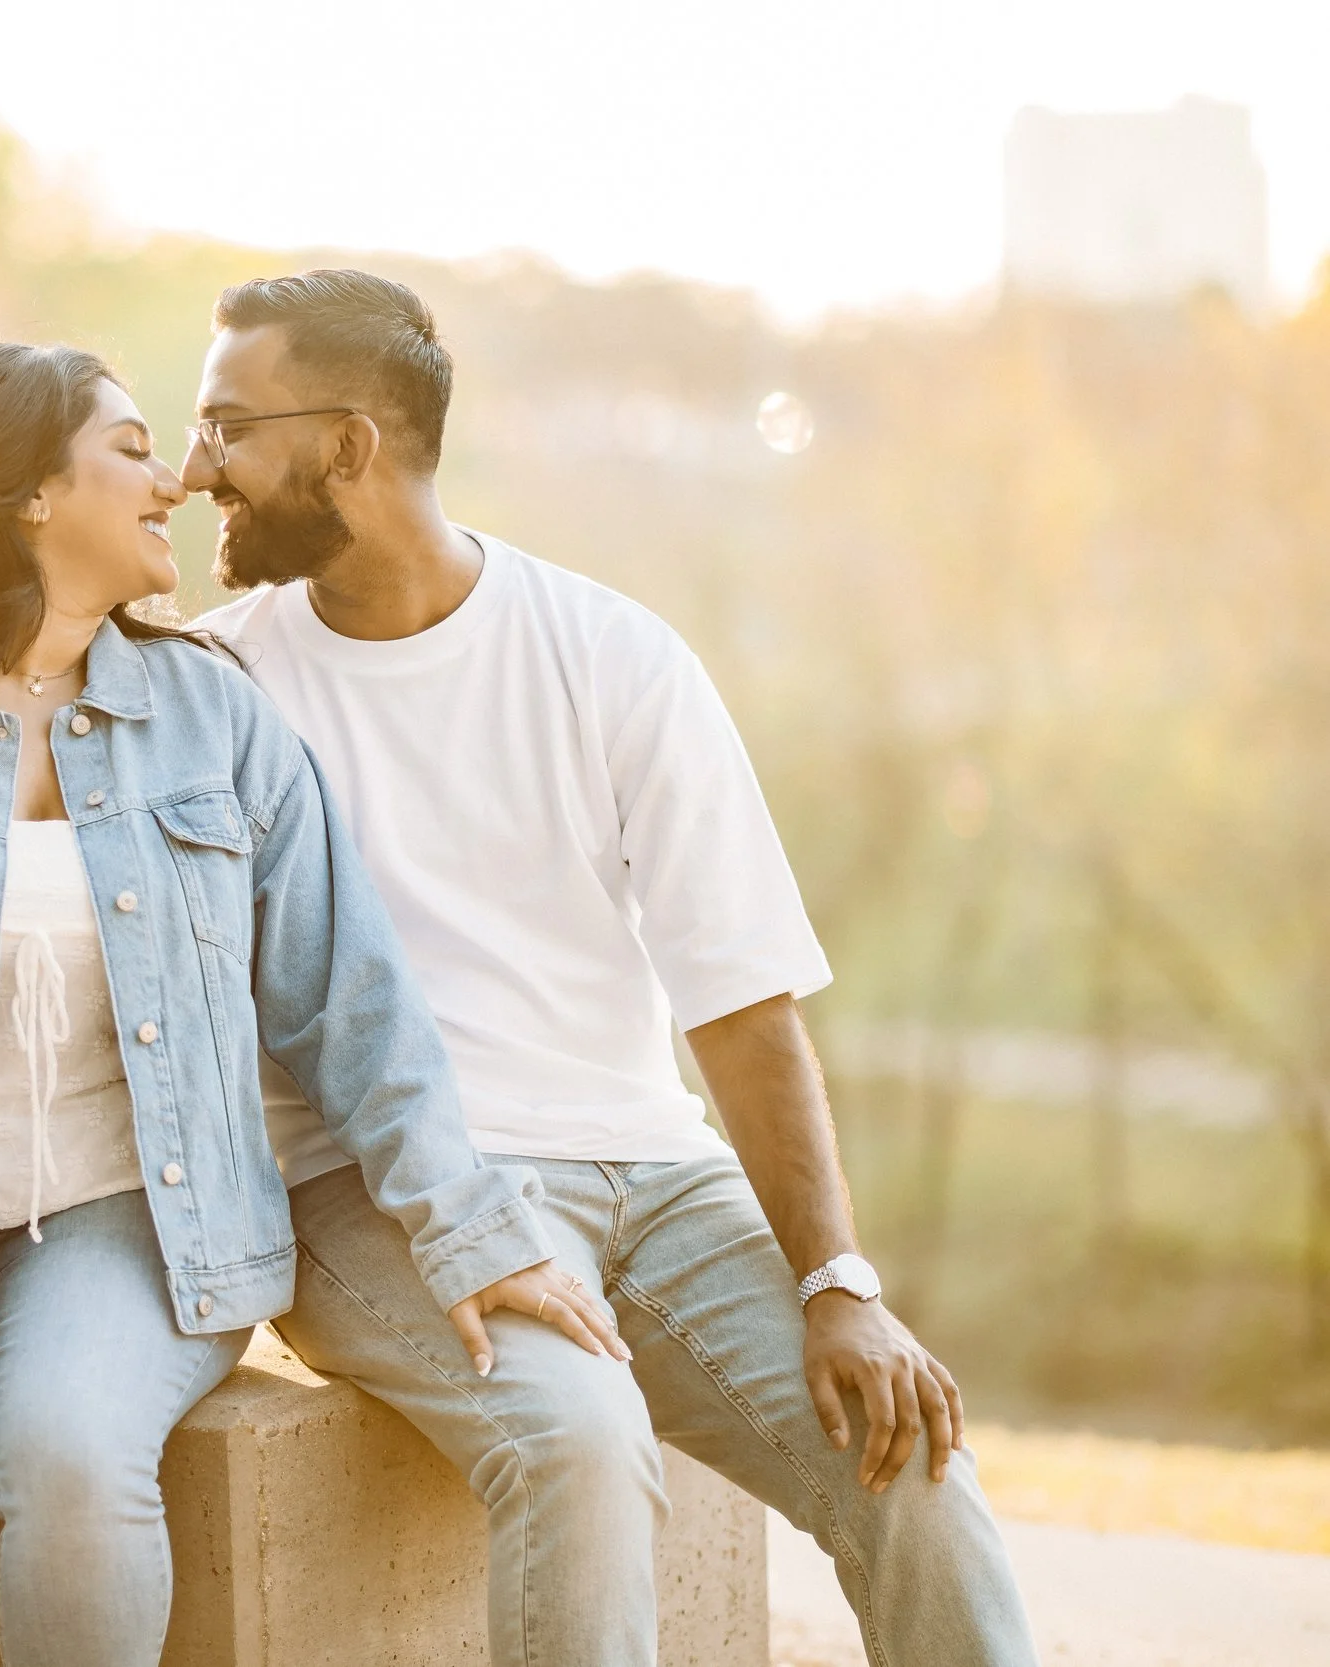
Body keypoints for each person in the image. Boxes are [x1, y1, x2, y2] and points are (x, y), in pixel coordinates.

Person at [0, 342, 616, 1667]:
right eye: (127, 449)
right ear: (28, 495)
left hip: (131, 1225)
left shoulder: (213, 718)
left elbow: (350, 1004)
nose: (170, 476)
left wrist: (472, 1229)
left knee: (75, 1460)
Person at [185, 270, 1039, 1667]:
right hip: (380, 1187)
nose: (195, 463)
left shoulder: (613, 657)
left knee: (915, 1464)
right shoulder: (217, 689)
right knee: (579, 1442)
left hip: (655, 1175)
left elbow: (743, 1004)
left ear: (350, 445)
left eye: (229, 426)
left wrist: (837, 1280)